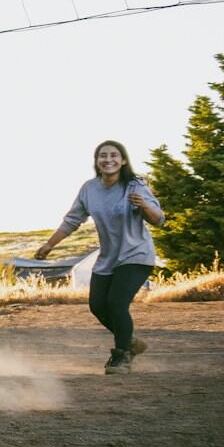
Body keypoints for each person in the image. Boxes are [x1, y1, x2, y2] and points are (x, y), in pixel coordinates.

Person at [33, 140, 166, 373]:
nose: (108, 159)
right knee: (97, 305)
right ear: (96, 161)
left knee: (116, 303)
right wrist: (49, 244)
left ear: (123, 160)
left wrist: (144, 206)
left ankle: (122, 356)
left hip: (136, 254)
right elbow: (72, 220)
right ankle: (130, 341)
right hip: (108, 258)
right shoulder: (89, 188)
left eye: (114, 155)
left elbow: (159, 219)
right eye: (102, 156)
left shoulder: (134, 186)